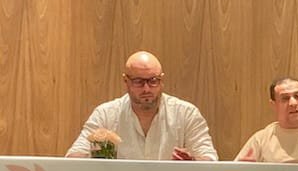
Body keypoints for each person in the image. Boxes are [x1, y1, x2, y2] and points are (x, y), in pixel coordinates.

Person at [66, 51, 218, 161]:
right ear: (126, 81)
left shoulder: (187, 114)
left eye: (153, 81)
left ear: (161, 80)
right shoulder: (105, 114)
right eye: (138, 81)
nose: (146, 89)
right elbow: (73, 158)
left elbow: (210, 160)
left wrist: (193, 163)